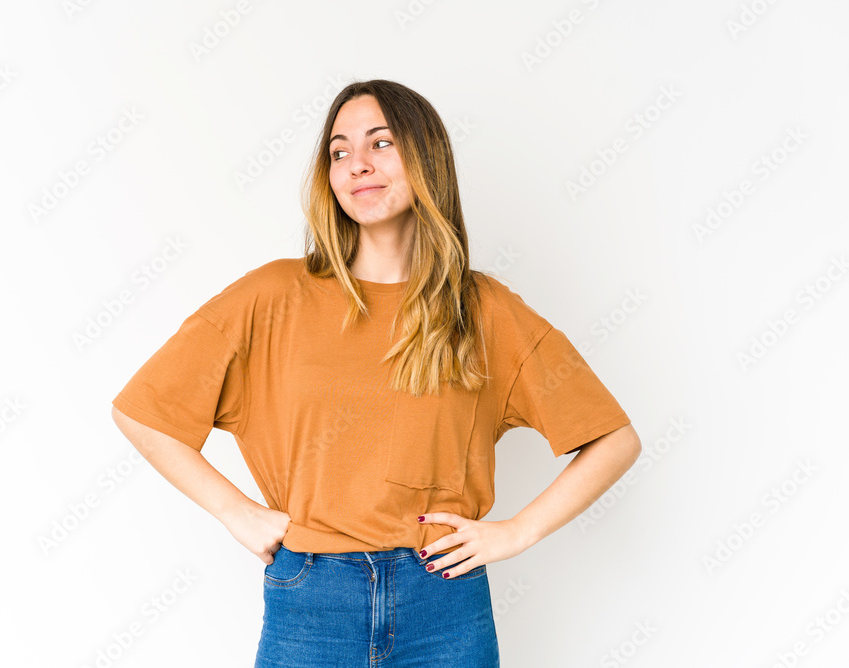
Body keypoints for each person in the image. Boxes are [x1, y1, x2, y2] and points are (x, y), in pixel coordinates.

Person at [110, 78, 641, 667]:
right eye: (339, 152)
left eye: (380, 143)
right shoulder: (273, 296)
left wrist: (517, 532)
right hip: (312, 600)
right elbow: (143, 411)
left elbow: (613, 439)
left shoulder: (482, 309)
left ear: (426, 157)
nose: (356, 165)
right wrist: (237, 513)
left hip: (444, 601)